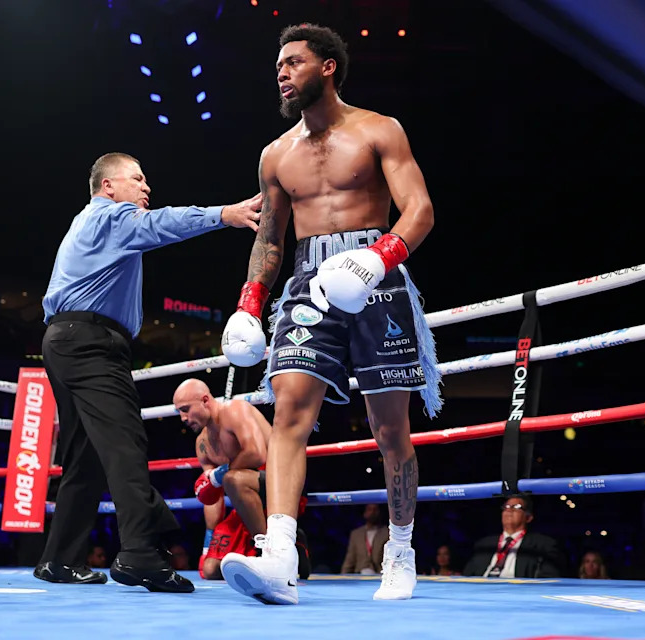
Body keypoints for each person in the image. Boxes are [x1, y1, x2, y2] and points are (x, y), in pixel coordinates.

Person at [219, 24, 440, 604]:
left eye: (293, 62)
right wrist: (249, 303)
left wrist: (379, 257)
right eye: (278, 66)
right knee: (289, 413)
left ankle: (399, 551)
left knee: (389, 428)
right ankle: (279, 559)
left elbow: (419, 210)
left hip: (376, 276)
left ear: (328, 67)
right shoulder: (275, 155)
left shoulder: (378, 129)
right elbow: (270, 239)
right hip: (309, 282)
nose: (282, 73)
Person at [34, 152, 262, 593]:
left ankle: (59, 559)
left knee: (85, 455)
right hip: (91, 343)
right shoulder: (110, 217)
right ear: (108, 187)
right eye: (136, 179)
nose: (146, 187)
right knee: (125, 443)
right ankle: (139, 554)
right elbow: (163, 223)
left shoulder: (87, 221)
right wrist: (224, 214)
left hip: (65, 340)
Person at [172, 378, 309, 580]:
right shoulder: (202, 444)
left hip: (281, 486)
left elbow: (257, 453)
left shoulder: (234, 410)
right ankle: (288, 545)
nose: (183, 417)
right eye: (179, 412)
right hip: (247, 503)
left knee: (232, 479)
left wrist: (220, 474)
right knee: (211, 570)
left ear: (205, 400)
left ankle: (271, 553)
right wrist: (208, 541)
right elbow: (213, 497)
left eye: (186, 409)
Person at [462, 495, 565, 579]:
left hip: (517, 592)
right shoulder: (484, 544)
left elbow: (549, 579)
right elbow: (467, 575)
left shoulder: (543, 544)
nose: (509, 510)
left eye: (516, 507)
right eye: (506, 507)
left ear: (528, 517)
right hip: (481, 589)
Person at [340, 504, 389, 575]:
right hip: (359, 575)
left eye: (375, 510)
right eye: (369, 509)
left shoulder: (388, 533)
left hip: (380, 575)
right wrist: (342, 577)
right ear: (365, 512)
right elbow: (350, 559)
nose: (372, 512)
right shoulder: (356, 534)